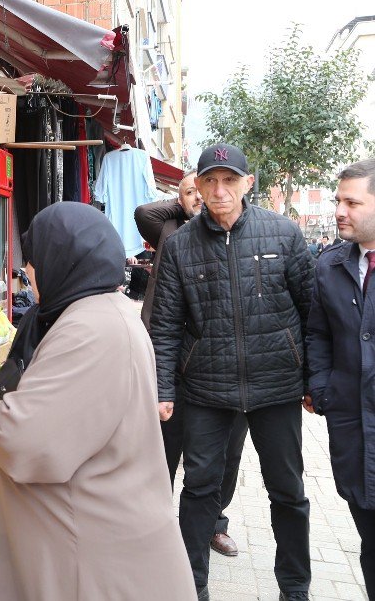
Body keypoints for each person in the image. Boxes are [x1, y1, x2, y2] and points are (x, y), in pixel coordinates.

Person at [0, 202, 195, 600]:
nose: (27, 273)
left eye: (33, 260)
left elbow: (25, 439)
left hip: (89, 562)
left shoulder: (92, 330)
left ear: (59, 260)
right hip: (88, 545)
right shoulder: (91, 312)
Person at [151, 143, 314, 601]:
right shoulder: (181, 246)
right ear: (197, 187)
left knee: (288, 491)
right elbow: (164, 326)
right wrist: (164, 388)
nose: (219, 191)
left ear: (248, 183)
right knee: (199, 488)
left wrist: (312, 381)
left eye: (229, 180)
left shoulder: (283, 234)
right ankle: (190, 586)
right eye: (209, 181)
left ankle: (295, 588)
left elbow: (311, 312)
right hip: (205, 388)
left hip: (276, 386)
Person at [135, 171, 249, 558]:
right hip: (168, 356)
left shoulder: (234, 231)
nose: (205, 197)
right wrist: (187, 199)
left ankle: (214, 523)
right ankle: (154, 522)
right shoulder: (167, 226)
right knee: (164, 444)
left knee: (227, 452)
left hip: (218, 363)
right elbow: (142, 210)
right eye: (196, 190)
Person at [305, 159, 375, 595]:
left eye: (352, 202)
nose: (339, 211)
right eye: (337, 201)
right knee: (370, 542)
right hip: (352, 430)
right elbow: (318, 332)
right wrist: (322, 387)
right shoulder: (330, 266)